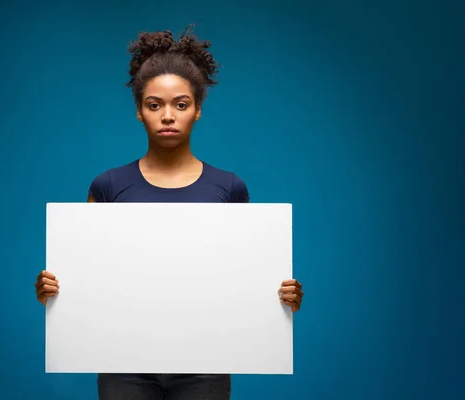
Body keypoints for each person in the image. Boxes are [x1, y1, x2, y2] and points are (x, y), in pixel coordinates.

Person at [35, 25, 304, 400]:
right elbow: (86, 276)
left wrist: (282, 297)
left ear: (197, 111)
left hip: (204, 366)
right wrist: (53, 291)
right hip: (123, 365)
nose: (167, 116)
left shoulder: (229, 188)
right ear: (139, 112)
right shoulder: (108, 186)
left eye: (180, 104)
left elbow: (245, 275)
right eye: (154, 104)